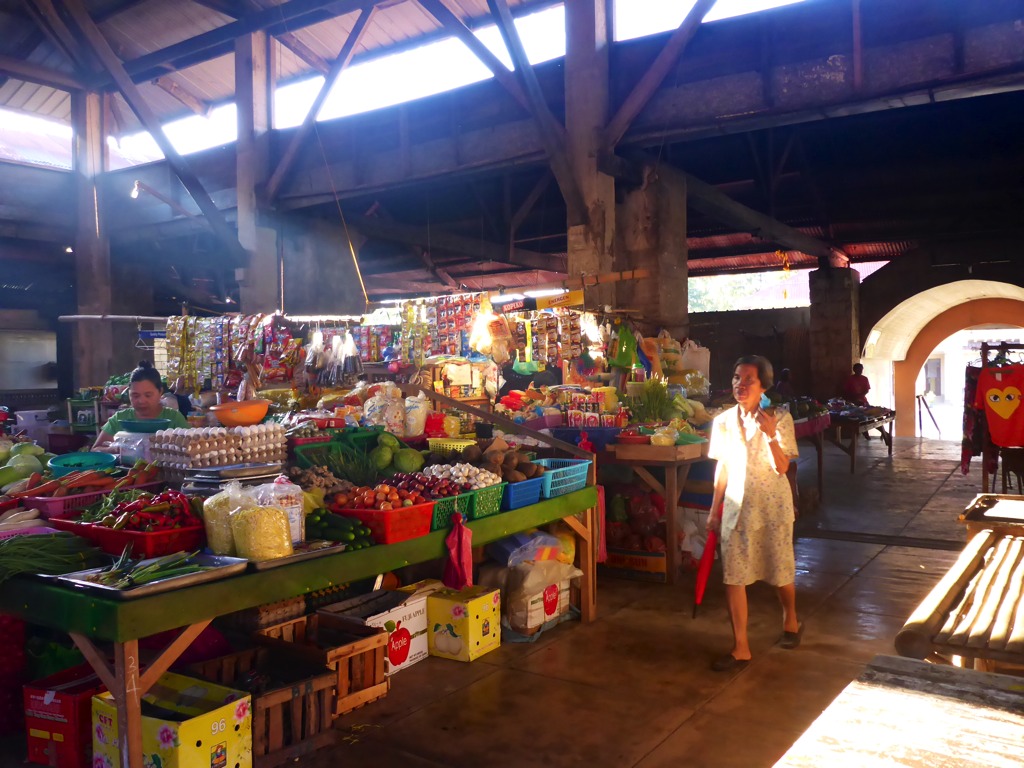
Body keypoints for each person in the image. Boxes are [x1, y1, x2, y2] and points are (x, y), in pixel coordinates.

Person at [707, 355, 801, 672]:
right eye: (736, 378)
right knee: (733, 576)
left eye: (748, 379)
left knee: (781, 571)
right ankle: (741, 647)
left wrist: (771, 433)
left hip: (773, 508)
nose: (740, 384)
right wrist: (713, 509)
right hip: (735, 508)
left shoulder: (781, 418)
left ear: (763, 385)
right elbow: (722, 466)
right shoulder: (722, 422)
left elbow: (783, 466)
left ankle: (790, 617)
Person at [93, 361, 189, 451]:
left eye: (148, 395)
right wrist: (117, 449)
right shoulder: (120, 419)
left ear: (160, 392)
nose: (141, 401)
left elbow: (191, 448)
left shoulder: (174, 418)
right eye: (135, 395)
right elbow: (95, 449)